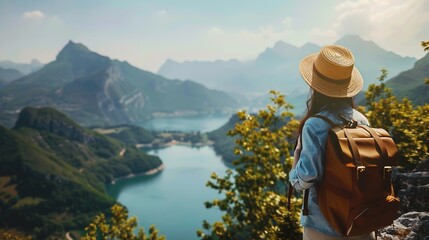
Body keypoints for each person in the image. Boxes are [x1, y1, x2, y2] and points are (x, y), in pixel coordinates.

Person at [288, 45, 375, 240]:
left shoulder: (315, 125)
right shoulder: (362, 120)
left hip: (323, 226)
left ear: (315, 86)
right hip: (361, 220)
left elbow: (306, 178)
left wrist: (294, 169)